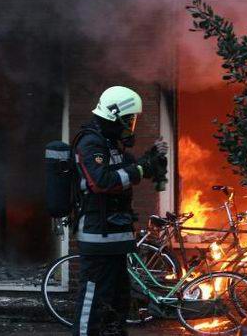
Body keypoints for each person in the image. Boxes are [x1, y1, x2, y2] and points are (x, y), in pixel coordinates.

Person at [72, 86, 167, 336]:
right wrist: (140, 170)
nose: (131, 124)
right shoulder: (91, 143)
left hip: (115, 236)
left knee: (118, 300)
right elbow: (101, 182)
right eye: (129, 119)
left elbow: (130, 169)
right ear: (114, 115)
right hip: (98, 235)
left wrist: (150, 158)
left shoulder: (111, 144)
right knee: (93, 300)